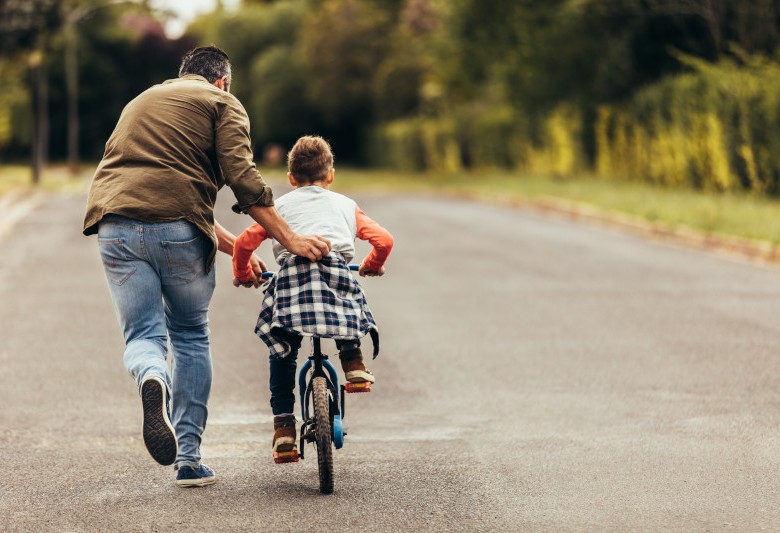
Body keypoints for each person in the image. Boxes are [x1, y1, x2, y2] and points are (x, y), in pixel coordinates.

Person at [82, 46, 331, 487]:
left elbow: (174, 198)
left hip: (114, 226)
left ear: (183, 75)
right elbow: (242, 177)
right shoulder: (222, 103)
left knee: (143, 336)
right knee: (189, 333)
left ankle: (152, 377)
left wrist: (241, 250)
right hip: (178, 232)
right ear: (223, 81)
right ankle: (189, 460)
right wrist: (289, 238)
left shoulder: (142, 101)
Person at [232, 135, 394, 463]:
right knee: (348, 298)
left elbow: (242, 244)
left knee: (283, 353)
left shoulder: (277, 210)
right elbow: (384, 240)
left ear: (291, 179)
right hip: (335, 278)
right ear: (330, 174)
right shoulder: (346, 206)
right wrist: (371, 265)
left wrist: (243, 273)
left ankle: (283, 432)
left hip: (292, 286)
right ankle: (353, 364)